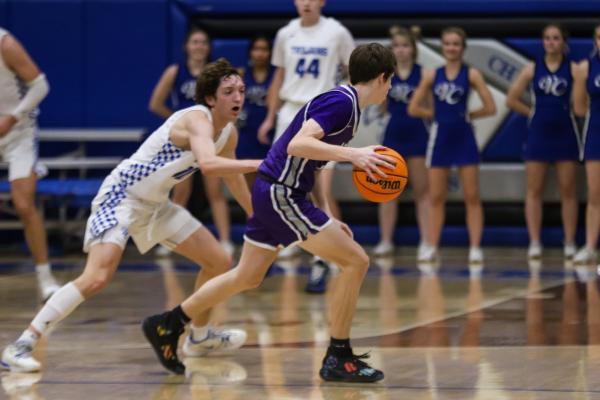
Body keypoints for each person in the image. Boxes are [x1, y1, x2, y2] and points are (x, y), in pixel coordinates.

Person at [142, 43, 397, 382]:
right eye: (390, 82)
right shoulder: (342, 103)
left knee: (247, 276)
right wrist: (355, 156)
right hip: (282, 193)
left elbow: (314, 162)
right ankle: (338, 355)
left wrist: (326, 213)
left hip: (276, 191)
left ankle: (168, 323)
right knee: (356, 261)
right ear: (383, 77)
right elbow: (298, 145)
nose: (391, 89)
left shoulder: (346, 104)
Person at [1, 58, 260, 373]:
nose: (238, 97)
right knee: (97, 277)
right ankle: (22, 344)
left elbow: (232, 179)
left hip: (156, 205)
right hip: (121, 197)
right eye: (229, 91)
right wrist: (258, 164)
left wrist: (255, 215)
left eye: (242, 91)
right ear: (210, 98)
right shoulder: (197, 119)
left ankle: (200, 338)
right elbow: (208, 164)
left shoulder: (227, 134)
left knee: (218, 261)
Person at [257, 0, 355, 277]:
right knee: (279, 184)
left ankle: (336, 250)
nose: (307, 2)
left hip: (321, 115)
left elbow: (354, 72)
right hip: (290, 112)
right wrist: (269, 117)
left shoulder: (337, 32)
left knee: (320, 187)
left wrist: (344, 107)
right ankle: (286, 242)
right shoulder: (285, 33)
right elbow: (280, 76)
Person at [409, 26, 496, 264]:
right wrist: (434, 113)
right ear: (442, 46)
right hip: (440, 138)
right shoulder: (431, 75)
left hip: (464, 137)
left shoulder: (472, 74)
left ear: (463, 47)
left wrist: (468, 116)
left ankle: (475, 248)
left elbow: (491, 107)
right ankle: (432, 245)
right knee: (436, 196)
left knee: (472, 195)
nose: (451, 48)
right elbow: (413, 107)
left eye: (456, 44)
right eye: (447, 43)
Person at [149, 27, 234, 256]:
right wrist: (176, 123)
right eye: (195, 42)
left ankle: (225, 240)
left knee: (215, 191)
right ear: (187, 46)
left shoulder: (216, 75)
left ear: (208, 47)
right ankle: (169, 240)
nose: (199, 46)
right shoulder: (175, 71)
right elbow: (155, 103)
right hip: (184, 143)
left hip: (210, 139)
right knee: (180, 193)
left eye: (203, 42)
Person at [506, 23, 580, 260]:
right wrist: (532, 113)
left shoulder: (575, 69)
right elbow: (511, 99)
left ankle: (569, 242)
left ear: (563, 42)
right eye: (547, 38)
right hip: (538, 135)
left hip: (566, 134)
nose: (551, 42)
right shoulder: (531, 68)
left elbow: (581, 104)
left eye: (555, 38)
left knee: (568, 191)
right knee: (534, 191)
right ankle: (535, 242)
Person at [0, 27, 60, 301]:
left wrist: (11, 118)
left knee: (24, 204)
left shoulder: (6, 43)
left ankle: (45, 277)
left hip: (18, 131)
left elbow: (41, 85)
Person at [373, 26, 430, 259]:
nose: (401, 50)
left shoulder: (425, 74)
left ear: (413, 49)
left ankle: (427, 241)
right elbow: (381, 106)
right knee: (387, 192)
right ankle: (386, 241)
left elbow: (431, 109)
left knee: (422, 191)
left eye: (405, 45)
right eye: (397, 46)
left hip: (418, 134)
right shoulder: (385, 75)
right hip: (393, 134)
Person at [572, 24, 600, 265]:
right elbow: (579, 107)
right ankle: (591, 246)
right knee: (595, 193)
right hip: (596, 133)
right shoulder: (585, 67)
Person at [236, 35, 274, 188]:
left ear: (270, 53)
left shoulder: (277, 75)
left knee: (270, 182)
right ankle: (251, 213)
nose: (260, 53)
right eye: (256, 49)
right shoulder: (241, 74)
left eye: (264, 49)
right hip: (247, 131)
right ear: (250, 52)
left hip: (270, 131)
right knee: (249, 185)